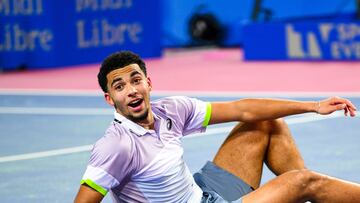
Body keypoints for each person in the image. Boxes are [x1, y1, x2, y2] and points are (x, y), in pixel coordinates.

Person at [74, 51, 359, 203]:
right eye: (120, 87)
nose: (131, 91)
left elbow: (242, 109)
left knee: (263, 122)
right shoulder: (116, 146)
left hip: (202, 193)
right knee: (302, 182)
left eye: (136, 80)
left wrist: (314, 105)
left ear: (149, 83)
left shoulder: (170, 110)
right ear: (110, 99)